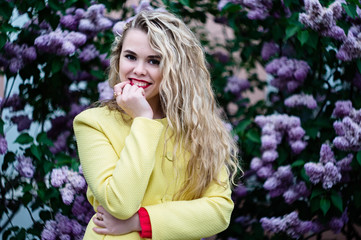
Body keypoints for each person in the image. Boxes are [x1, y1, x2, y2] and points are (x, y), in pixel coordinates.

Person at [73, 10, 240, 240]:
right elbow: (120, 203)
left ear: (176, 68)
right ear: (118, 58)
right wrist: (143, 118)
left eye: (154, 60)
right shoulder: (93, 123)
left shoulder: (198, 126)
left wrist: (140, 222)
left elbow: (219, 211)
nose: (139, 70)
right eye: (130, 57)